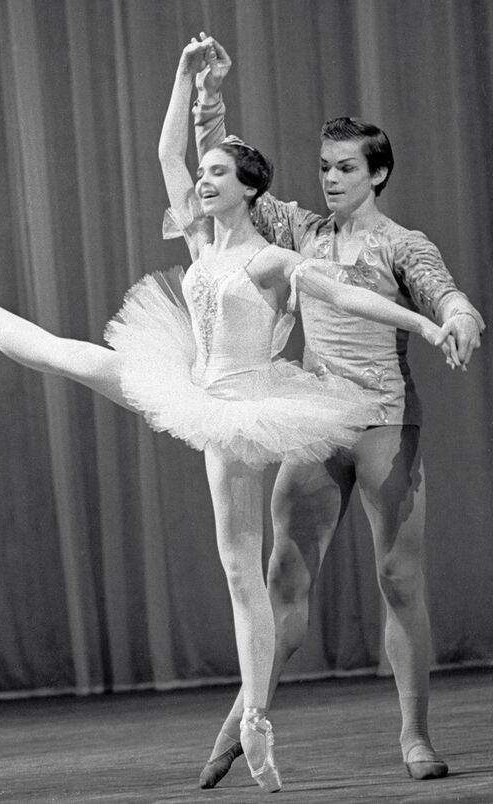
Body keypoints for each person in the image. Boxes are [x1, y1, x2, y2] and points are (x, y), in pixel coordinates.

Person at [0, 41, 456, 795]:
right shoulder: (212, 234)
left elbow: (352, 292)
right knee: (67, 356)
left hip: (263, 410)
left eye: (219, 174)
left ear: (251, 191)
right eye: (205, 174)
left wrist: (430, 322)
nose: (203, 181)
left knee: (262, 572)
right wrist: (187, 82)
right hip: (197, 384)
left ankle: (271, 722)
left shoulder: (286, 255)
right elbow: (175, 155)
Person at [190, 35, 485, 788]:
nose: (330, 179)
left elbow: (441, 290)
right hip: (315, 422)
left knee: (399, 579)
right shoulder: (299, 231)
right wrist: (208, 99)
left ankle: (415, 734)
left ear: (376, 173)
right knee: (281, 581)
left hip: (384, 422)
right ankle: (241, 721)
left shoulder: (401, 243)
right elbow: (227, 174)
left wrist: (458, 315)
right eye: (324, 167)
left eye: (345, 168)